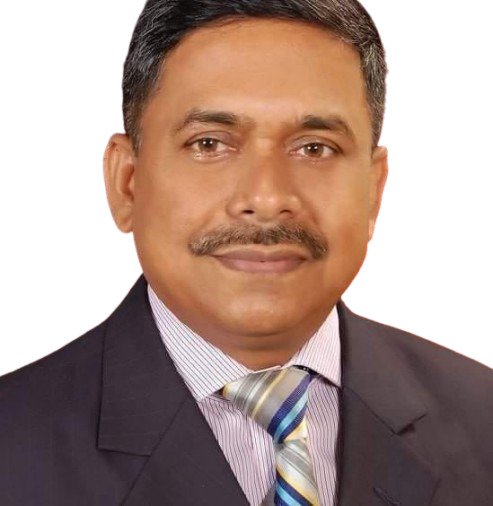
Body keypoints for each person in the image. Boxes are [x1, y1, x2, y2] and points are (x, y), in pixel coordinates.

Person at [0, 0, 491, 504]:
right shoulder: (12, 447)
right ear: (127, 182)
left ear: (373, 190)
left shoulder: (483, 420)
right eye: (210, 144)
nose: (267, 198)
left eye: (314, 148)